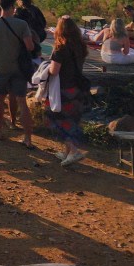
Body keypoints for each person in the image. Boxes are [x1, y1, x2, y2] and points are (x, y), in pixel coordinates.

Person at [0, 0, 34, 148]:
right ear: (13, 6)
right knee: (22, 101)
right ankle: (27, 138)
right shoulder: (22, 24)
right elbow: (30, 47)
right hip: (18, 68)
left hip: (0, 67)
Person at [46, 17, 89, 166]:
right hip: (77, 88)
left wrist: (45, 69)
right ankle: (67, 152)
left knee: (57, 120)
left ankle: (74, 150)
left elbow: (54, 70)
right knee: (72, 120)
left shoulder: (60, 48)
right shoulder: (80, 46)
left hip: (63, 89)